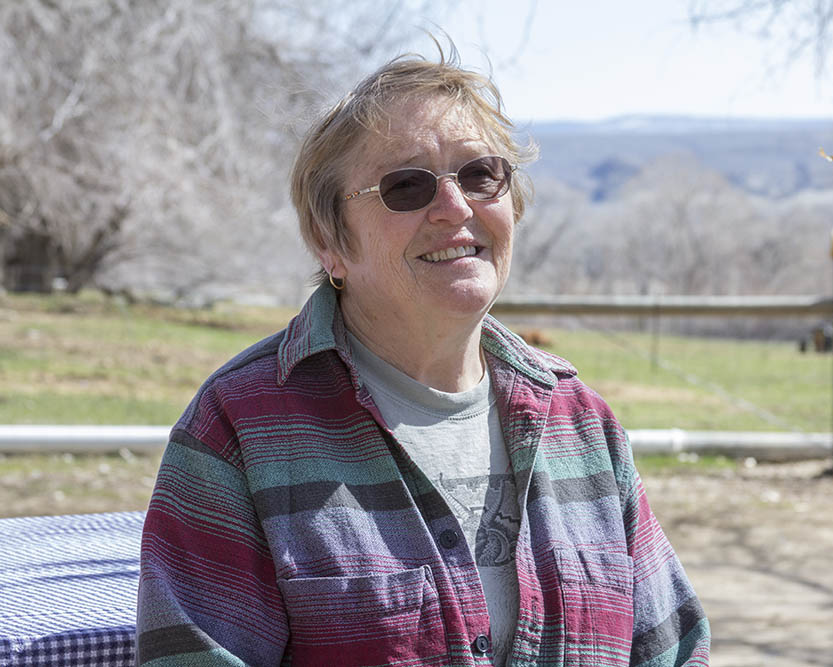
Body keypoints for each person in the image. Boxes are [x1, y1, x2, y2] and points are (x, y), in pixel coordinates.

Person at [136, 46, 711, 666]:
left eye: (480, 174)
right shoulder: (240, 429)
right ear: (330, 240)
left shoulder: (582, 425)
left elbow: (673, 652)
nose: (456, 207)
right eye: (406, 186)